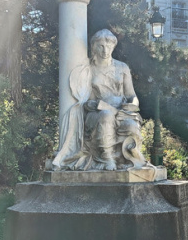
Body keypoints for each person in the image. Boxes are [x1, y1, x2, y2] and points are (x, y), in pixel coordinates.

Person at [51, 29, 147, 170]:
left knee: (131, 126)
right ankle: (106, 158)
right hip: (97, 113)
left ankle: (126, 159)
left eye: (108, 46)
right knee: (106, 116)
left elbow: (132, 95)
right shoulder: (88, 69)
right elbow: (84, 100)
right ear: (94, 47)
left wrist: (133, 105)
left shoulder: (122, 67)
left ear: (113, 47)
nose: (105, 50)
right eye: (101, 46)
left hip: (120, 112)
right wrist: (95, 105)